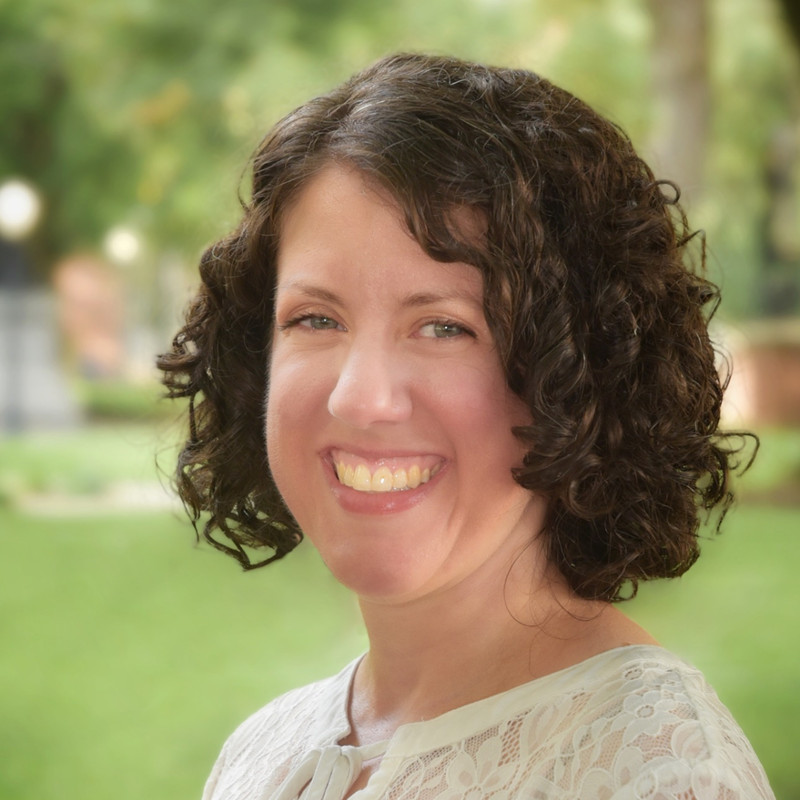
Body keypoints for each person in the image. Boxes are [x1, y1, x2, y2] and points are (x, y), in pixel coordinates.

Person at [158, 53, 774, 800]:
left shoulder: (657, 771)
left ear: (577, 367)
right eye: (316, 318)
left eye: (444, 327)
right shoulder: (260, 753)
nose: (360, 398)